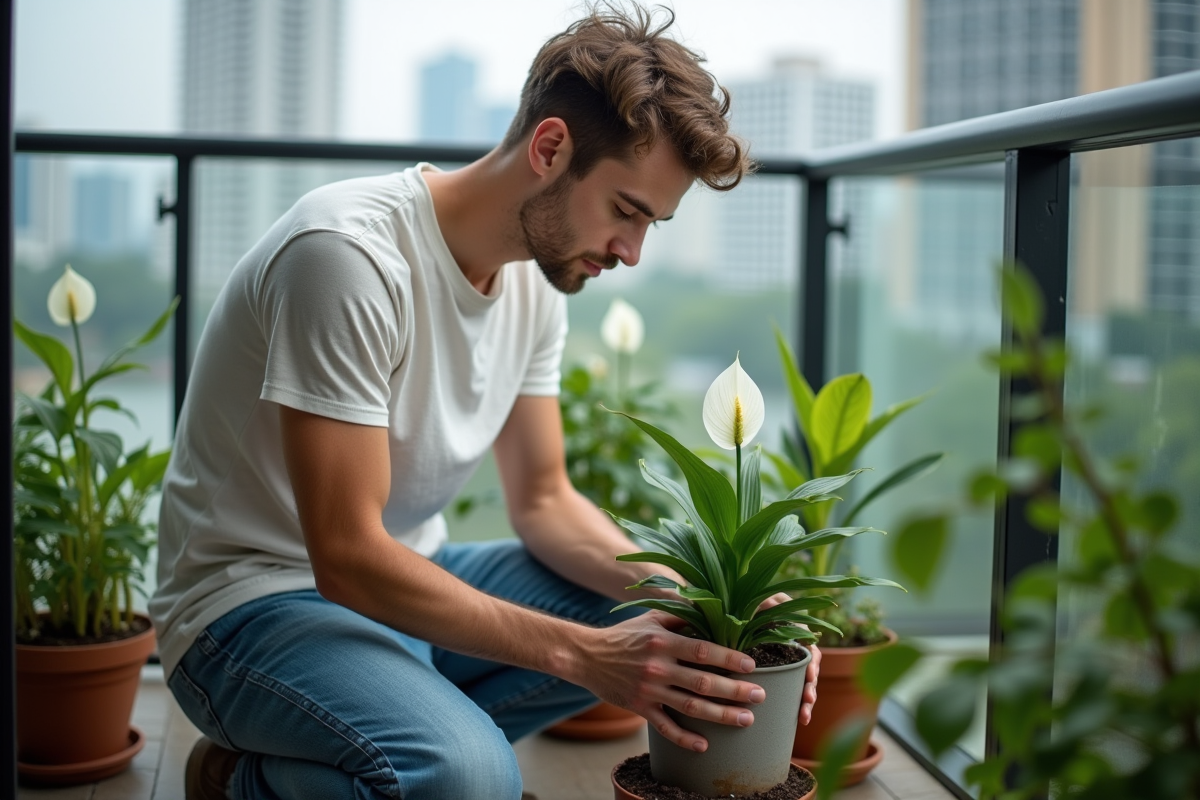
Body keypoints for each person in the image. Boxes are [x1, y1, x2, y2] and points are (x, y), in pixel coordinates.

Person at [151, 5, 821, 799]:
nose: (632, 253)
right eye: (627, 211)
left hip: (402, 583)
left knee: (661, 621)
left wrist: (716, 606)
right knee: (472, 779)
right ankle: (252, 781)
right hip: (248, 609)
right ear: (549, 148)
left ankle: (402, 751)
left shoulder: (535, 291)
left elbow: (543, 500)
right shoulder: (347, 257)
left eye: (652, 225)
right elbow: (347, 555)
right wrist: (580, 654)